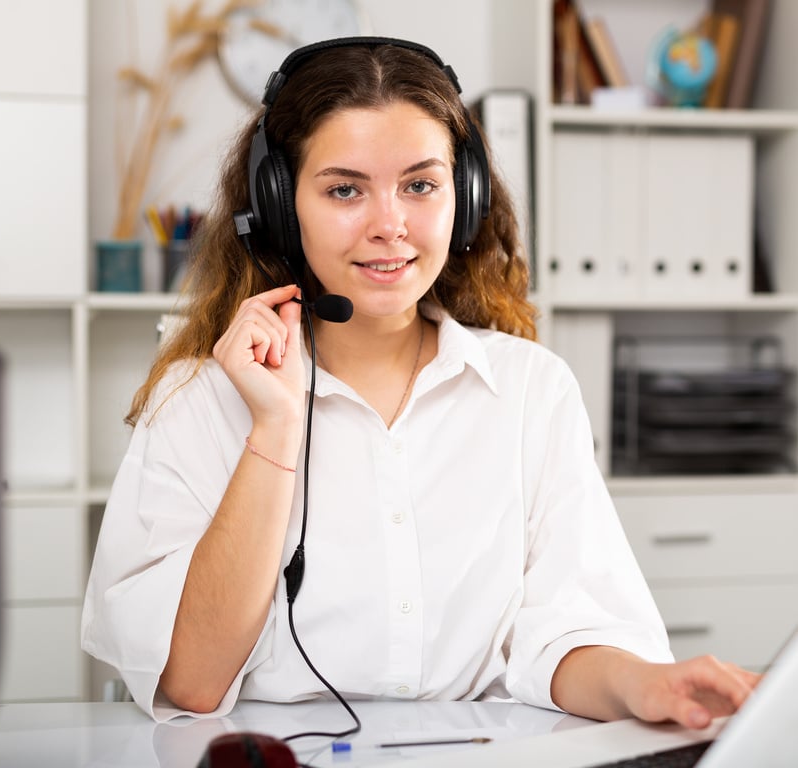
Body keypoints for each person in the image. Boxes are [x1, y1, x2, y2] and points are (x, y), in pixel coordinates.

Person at [81, 37, 759, 729]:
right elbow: (193, 682)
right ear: (280, 207)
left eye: (419, 185)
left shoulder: (530, 389)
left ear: (462, 198)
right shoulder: (200, 400)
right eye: (344, 189)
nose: (389, 226)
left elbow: (564, 634)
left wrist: (644, 686)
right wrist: (275, 430)